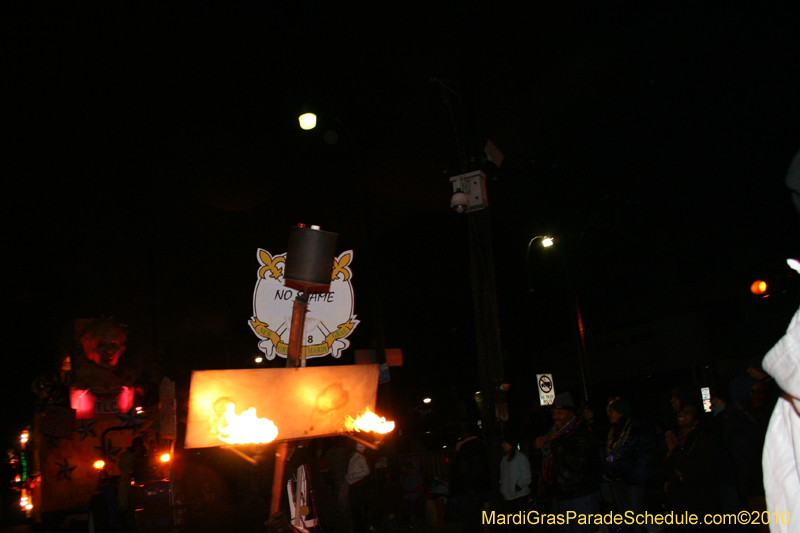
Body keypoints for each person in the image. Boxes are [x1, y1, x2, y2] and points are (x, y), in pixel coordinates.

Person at [534, 392, 599, 533]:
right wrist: (539, 447)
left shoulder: (581, 432)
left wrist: (555, 444)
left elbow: (579, 462)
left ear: (570, 414)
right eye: (554, 412)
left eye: (560, 412)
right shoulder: (555, 432)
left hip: (579, 494)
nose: (555, 416)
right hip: (560, 495)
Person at [661, 403, 719, 531]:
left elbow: (695, 466)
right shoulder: (676, 436)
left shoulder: (702, 438)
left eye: (688, 413)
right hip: (676, 495)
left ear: (696, 420)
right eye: (681, 412)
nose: (682, 415)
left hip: (696, 497)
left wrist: (674, 450)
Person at [600, 398, 655, 533]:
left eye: (612, 411)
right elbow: (607, 453)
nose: (609, 414)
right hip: (616, 480)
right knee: (625, 521)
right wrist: (607, 472)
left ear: (620, 413)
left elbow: (644, 457)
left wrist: (632, 477)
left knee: (635, 520)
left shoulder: (637, 429)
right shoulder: (612, 431)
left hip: (633, 481)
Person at [449, 423, 490, 533]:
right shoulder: (478, 445)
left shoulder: (467, 448)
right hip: (474, 489)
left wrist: (462, 483)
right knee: (474, 518)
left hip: (469, 490)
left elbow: (463, 469)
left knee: (471, 519)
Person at [499, 429, 532, 526]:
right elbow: (502, 474)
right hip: (508, 496)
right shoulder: (504, 459)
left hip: (519, 496)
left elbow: (526, 476)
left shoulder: (521, 458)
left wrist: (518, 486)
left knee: (521, 524)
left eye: (505, 443)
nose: (503, 445)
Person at [344, 442, 370, 533]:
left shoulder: (360, 458)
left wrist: (353, 476)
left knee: (358, 508)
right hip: (354, 486)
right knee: (355, 508)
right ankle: (359, 527)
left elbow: (366, 471)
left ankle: (362, 527)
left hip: (359, 486)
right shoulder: (354, 457)